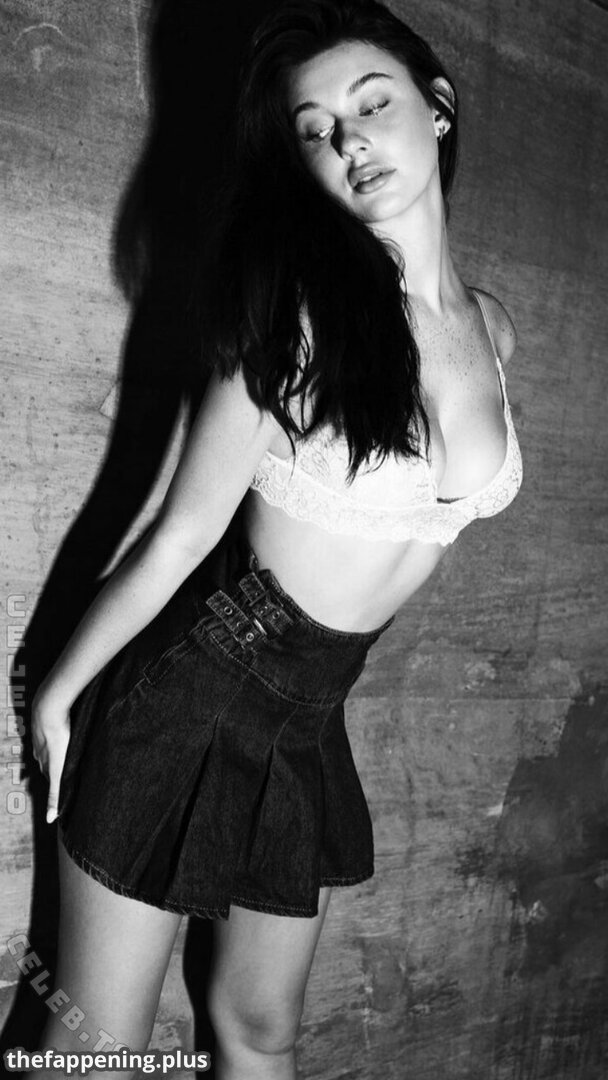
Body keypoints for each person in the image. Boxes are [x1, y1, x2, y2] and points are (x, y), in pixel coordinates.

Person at [30, 0, 522, 1076]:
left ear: (437, 108)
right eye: (315, 128)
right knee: (95, 1048)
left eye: (372, 104)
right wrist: (58, 694)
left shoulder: (491, 329)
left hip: (311, 715)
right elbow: (176, 534)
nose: (349, 140)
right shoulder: (296, 315)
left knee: (261, 1034)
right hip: (196, 685)